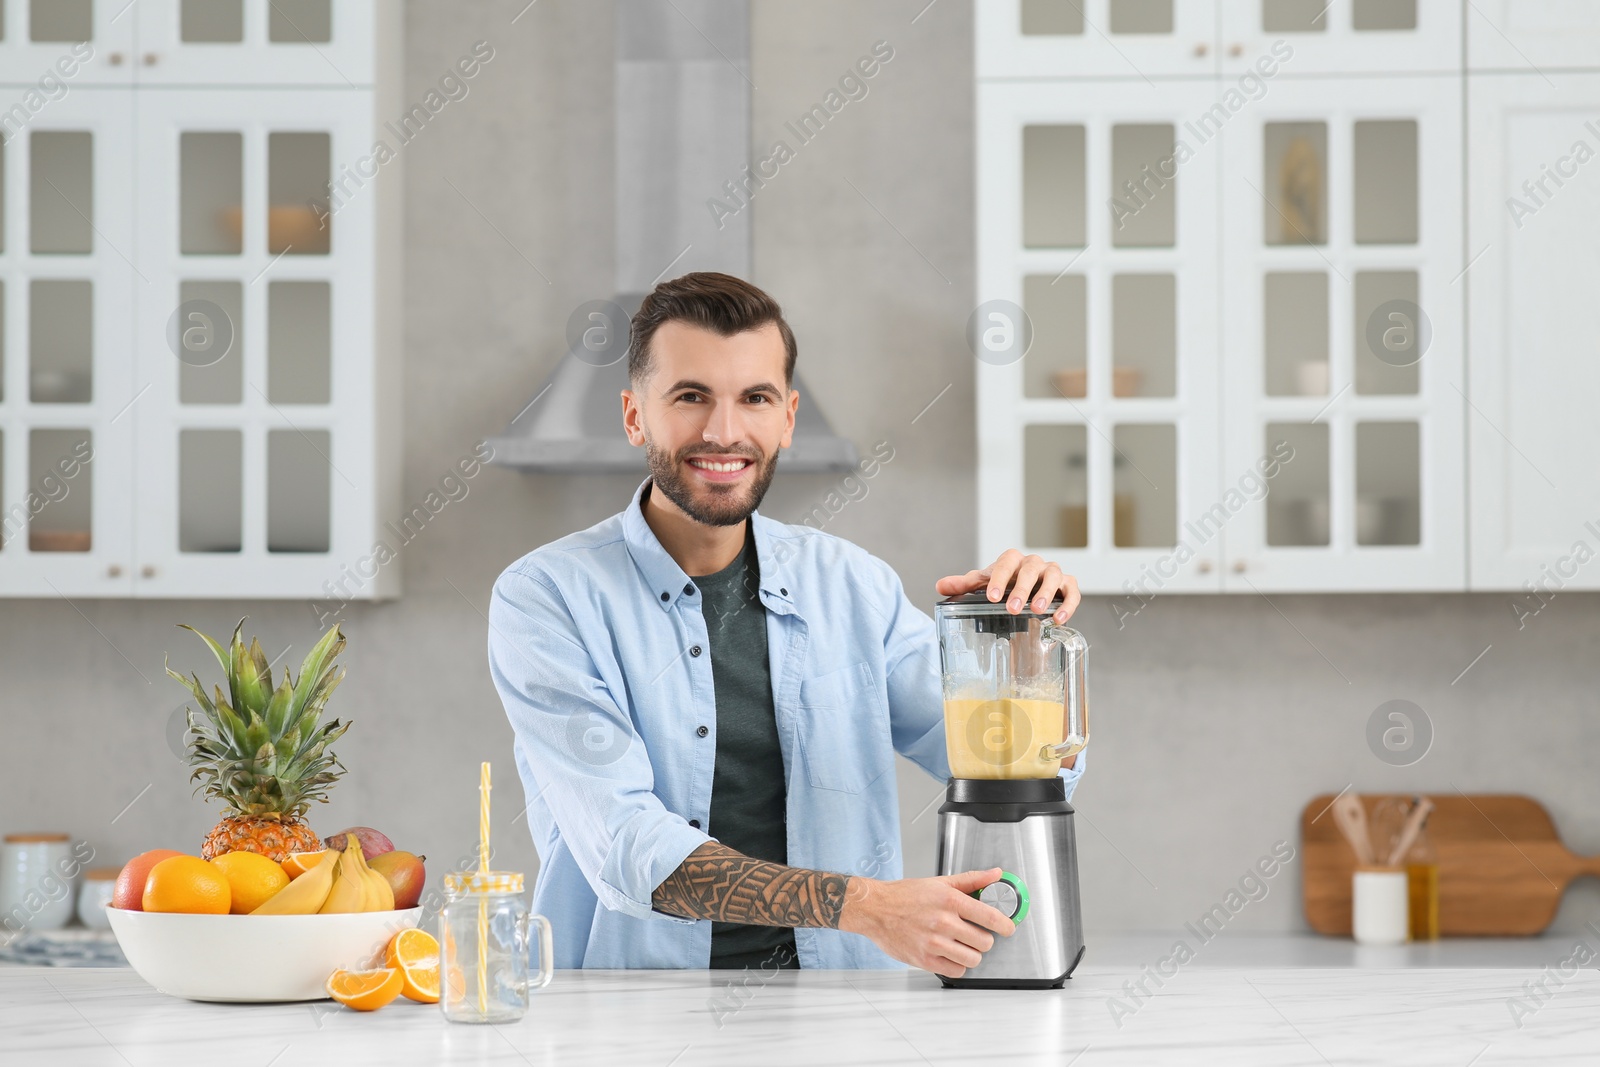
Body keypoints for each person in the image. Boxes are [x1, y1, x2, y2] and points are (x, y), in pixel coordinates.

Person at [488, 272, 1084, 976]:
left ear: (788, 417)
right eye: (690, 396)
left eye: (755, 398)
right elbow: (626, 844)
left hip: (844, 1008)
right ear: (634, 415)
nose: (724, 431)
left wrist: (1017, 642)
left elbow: (1004, 764)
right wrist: (863, 904)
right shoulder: (546, 597)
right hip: (634, 1009)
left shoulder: (854, 586)